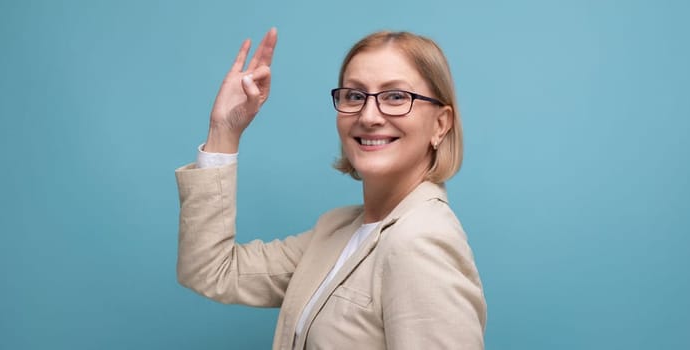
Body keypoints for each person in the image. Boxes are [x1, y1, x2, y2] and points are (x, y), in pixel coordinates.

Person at [174, 27, 486, 349]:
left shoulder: (421, 242)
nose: (368, 115)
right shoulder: (337, 230)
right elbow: (212, 271)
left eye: (395, 97)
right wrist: (224, 129)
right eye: (354, 95)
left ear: (440, 124)